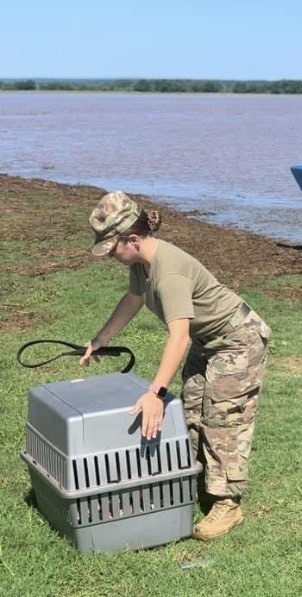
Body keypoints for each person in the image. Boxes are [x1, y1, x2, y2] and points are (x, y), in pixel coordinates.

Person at [79, 190, 271, 542]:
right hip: (207, 342)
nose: (110, 256)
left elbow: (178, 338)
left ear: (133, 240)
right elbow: (133, 299)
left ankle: (228, 503)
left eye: (112, 247)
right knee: (194, 413)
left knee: (222, 417)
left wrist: (155, 393)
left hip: (238, 339)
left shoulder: (168, 272)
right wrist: (100, 339)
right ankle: (197, 485)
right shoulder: (142, 264)